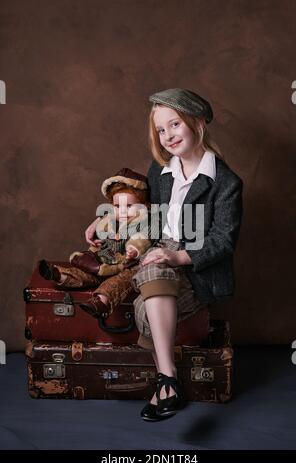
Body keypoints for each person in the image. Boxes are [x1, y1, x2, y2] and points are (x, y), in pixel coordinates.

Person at [85, 88, 243, 421]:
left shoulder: (225, 182)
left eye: (175, 125)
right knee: (153, 268)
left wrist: (176, 257)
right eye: (161, 129)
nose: (168, 136)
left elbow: (221, 242)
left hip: (195, 268)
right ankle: (169, 384)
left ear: (198, 122)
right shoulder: (159, 172)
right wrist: (103, 222)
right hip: (155, 256)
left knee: (144, 306)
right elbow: (139, 211)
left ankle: (165, 382)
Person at [39, 168, 153, 317]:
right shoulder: (112, 218)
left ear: (144, 205)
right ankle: (58, 274)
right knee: (87, 273)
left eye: (129, 206)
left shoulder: (144, 221)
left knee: (119, 282)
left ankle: (101, 301)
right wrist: (99, 239)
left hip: (128, 265)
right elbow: (103, 228)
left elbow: (142, 239)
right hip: (106, 261)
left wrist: (134, 249)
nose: (123, 211)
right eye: (118, 207)